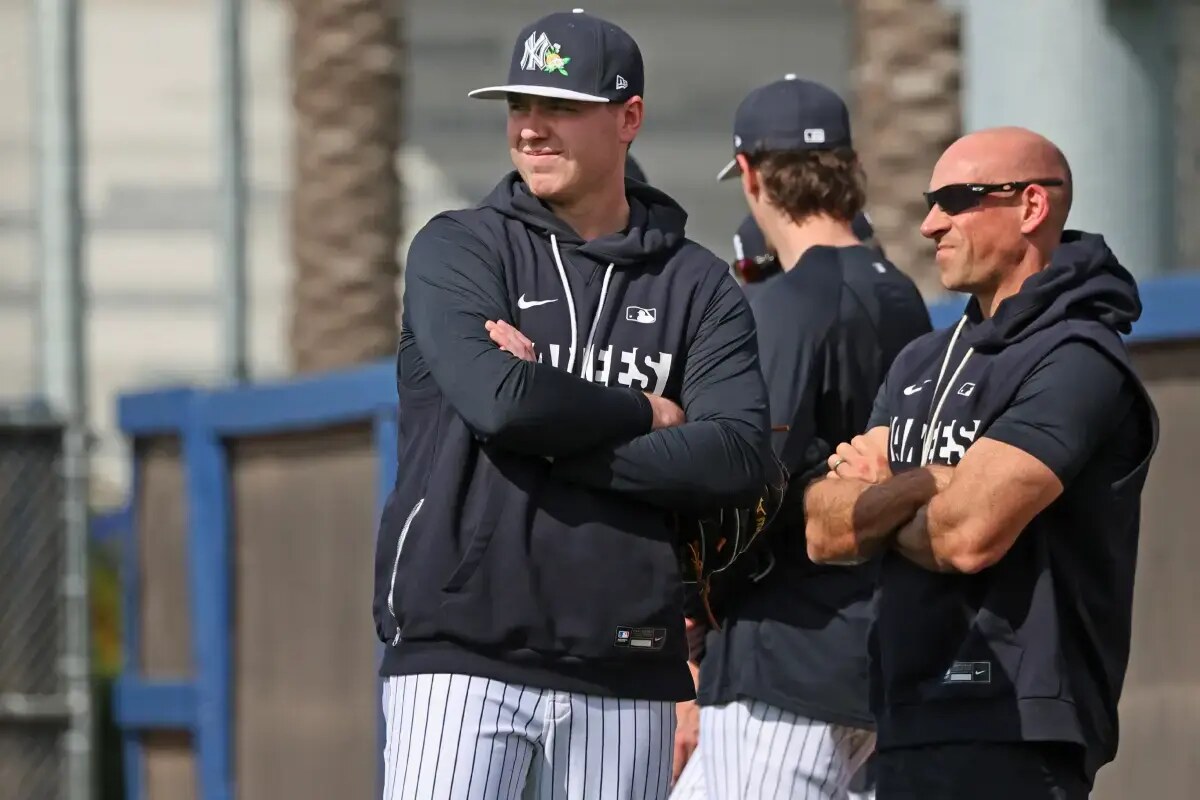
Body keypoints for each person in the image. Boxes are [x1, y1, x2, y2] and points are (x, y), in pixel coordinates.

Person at [372, 9, 772, 799]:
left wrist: (551, 421)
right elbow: (502, 404)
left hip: (625, 660)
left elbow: (735, 457)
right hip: (461, 652)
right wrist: (641, 410)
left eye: (559, 107)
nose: (531, 129)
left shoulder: (695, 285)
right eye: (520, 106)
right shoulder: (460, 247)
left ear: (628, 119)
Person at [804, 126, 1160, 799]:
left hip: (1013, 725)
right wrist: (926, 482)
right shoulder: (921, 360)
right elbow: (825, 530)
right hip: (904, 714)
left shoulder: (1078, 357)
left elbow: (967, 536)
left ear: (1031, 208)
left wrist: (884, 498)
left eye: (959, 199)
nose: (932, 222)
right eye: (930, 200)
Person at [671, 75, 932, 800]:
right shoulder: (899, 290)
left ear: (751, 175)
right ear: (848, 166)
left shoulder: (786, 304)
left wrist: (692, 608)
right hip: (877, 654)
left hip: (786, 664)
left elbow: (741, 489)